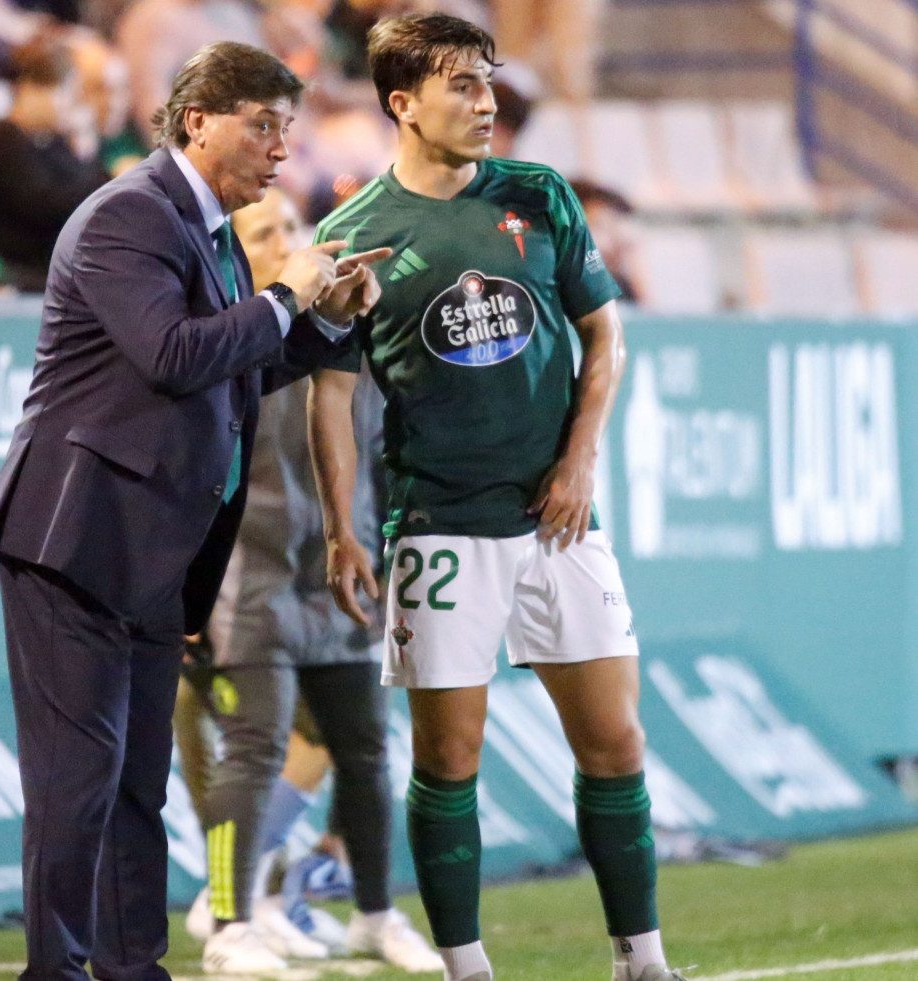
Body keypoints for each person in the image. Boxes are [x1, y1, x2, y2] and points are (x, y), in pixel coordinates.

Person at [0, 40, 389, 981]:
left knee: (134, 781)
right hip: (75, 539)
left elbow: (236, 370)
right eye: (264, 126)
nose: (282, 151)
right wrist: (289, 290)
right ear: (198, 121)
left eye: (288, 129)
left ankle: (132, 968)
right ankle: (56, 970)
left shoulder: (201, 226)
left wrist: (329, 318)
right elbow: (172, 355)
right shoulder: (132, 214)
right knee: (77, 779)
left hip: (156, 549)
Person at [308, 13, 687, 981]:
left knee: (615, 738)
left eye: (487, 82)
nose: (484, 103)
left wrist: (578, 463)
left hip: (558, 520)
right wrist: (341, 530)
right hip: (438, 527)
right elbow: (334, 391)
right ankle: (466, 967)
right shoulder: (350, 236)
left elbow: (605, 337)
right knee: (450, 757)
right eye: (461, 87)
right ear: (402, 103)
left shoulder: (540, 195)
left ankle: (641, 961)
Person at [191, 186, 443, 974]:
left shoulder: (346, 334)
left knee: (365, 749)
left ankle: (373, 912)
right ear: (238, 256)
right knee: (254, 746)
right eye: (266, 231)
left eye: (292, 225)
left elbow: (379, 453)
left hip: (338, 573)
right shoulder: (225, 344)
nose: (289, 238)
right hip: (247, 577)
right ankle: (228, 918)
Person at [0, 32, 109, 291]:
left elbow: (82, 185)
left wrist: (87, 153)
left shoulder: (46, 142)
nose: (70, 105)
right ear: (31, 89)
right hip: (16, 267)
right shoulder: (2, 143)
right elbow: (47, 208)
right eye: (63, 92)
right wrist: (107, 181)